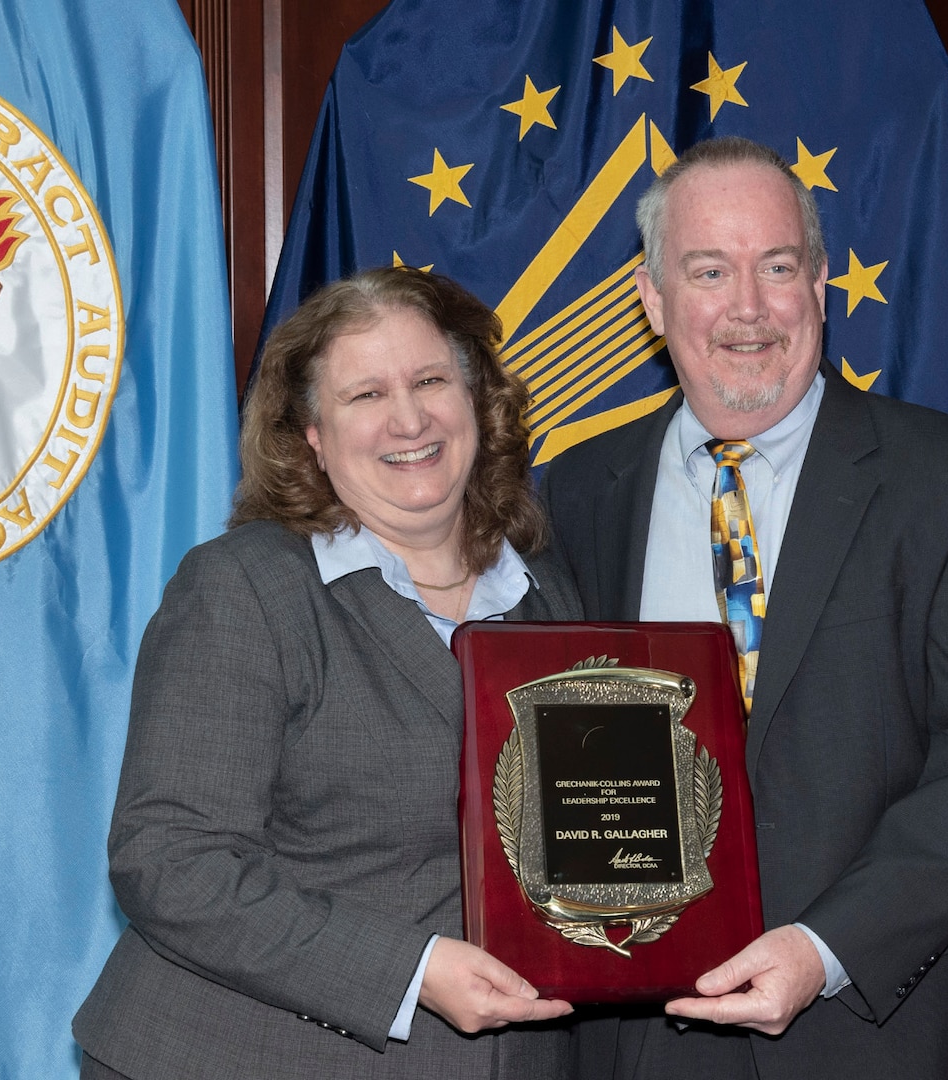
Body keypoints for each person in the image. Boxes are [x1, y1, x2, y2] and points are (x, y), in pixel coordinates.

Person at [541, 137, 948, 1079]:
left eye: (777, 267)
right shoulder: (574, 493)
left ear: (818, 286)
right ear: (653, 301)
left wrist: (824, 949)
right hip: (642, 1032)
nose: (748, 307)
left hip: (886, 1023)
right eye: (710, 270)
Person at [73, 267, 579, 1079]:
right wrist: (410, 971)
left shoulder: (549, 593)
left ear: (477, 399)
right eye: (366, 395)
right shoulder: (246, 589)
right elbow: (168, 860)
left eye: (429, 380)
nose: (408, 418)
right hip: (240, 1055)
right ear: (311, 432)